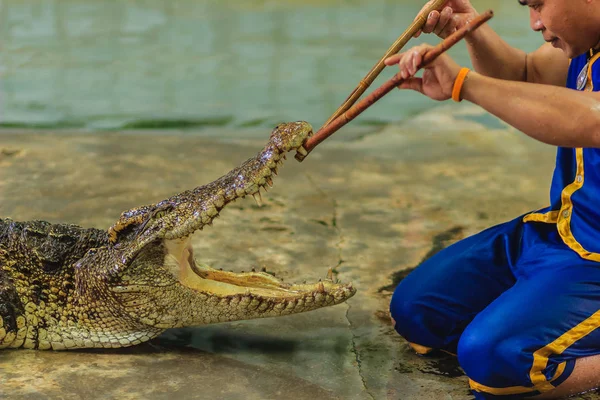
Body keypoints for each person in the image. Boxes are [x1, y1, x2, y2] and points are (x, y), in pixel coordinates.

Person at [385, 0, 600, 398]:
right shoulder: (588, 43)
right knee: (418, 312)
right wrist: (469, 30)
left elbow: (592, 119)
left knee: (494, 362)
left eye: (539, 4)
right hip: (563, 232)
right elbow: (527, 74)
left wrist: (462, 84)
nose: (534, 23)